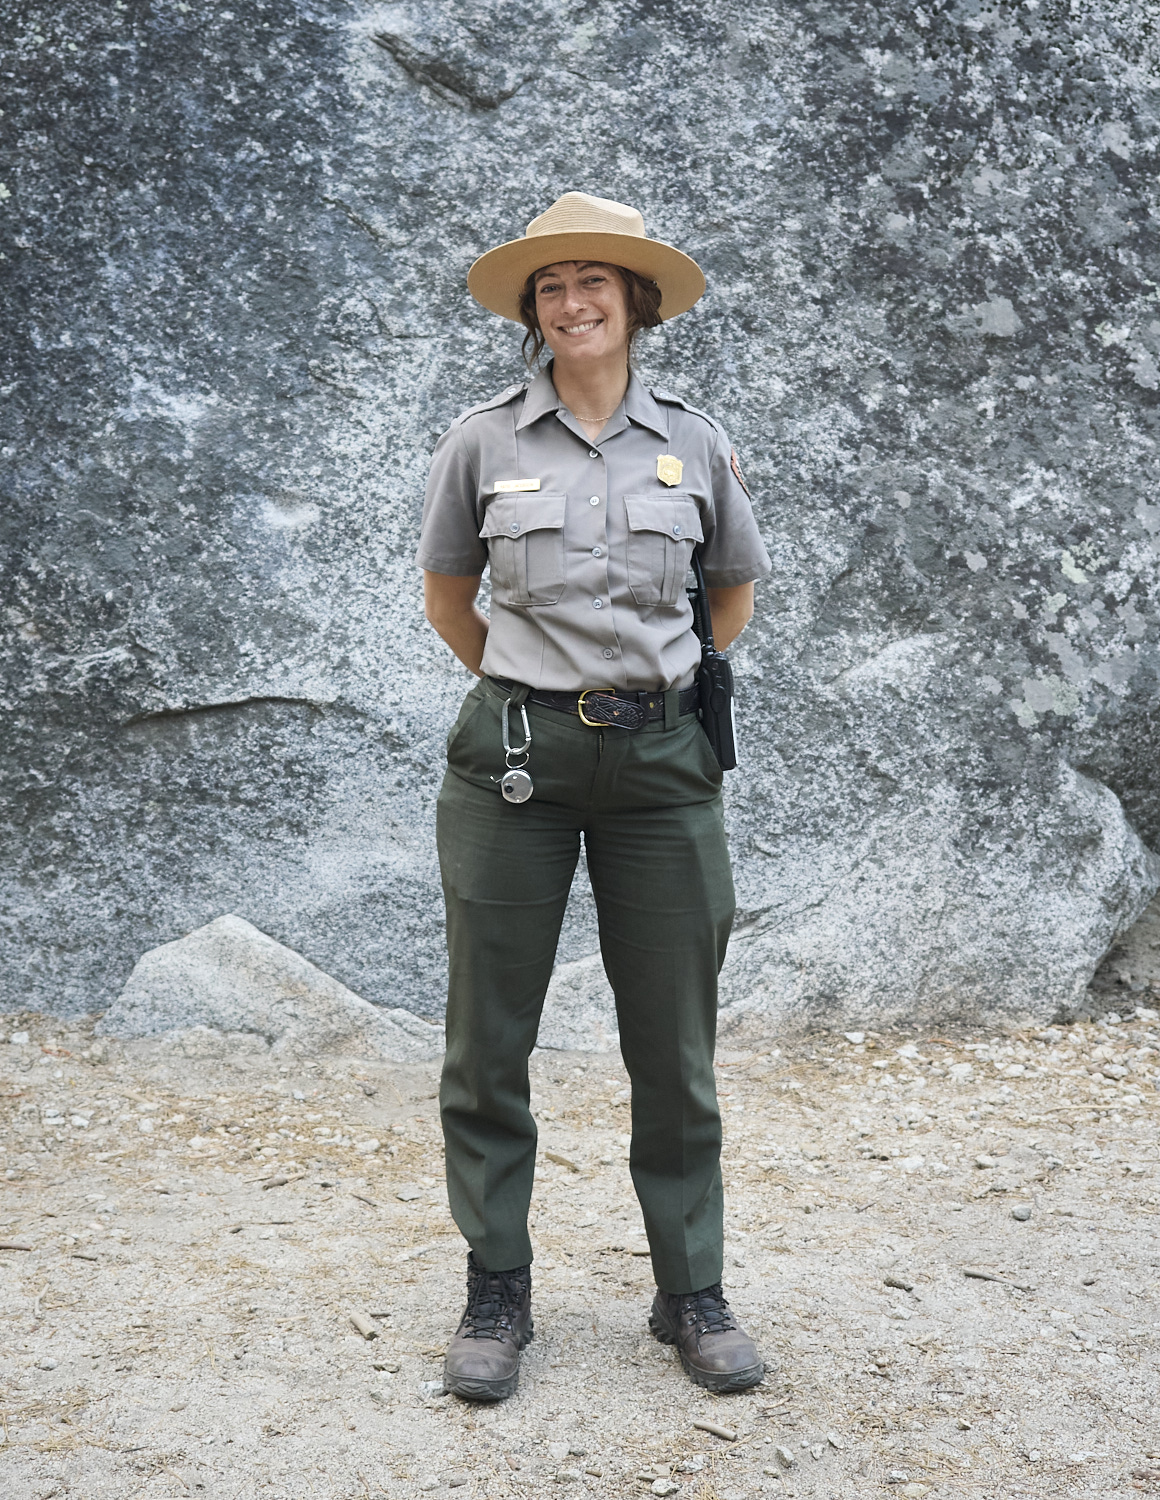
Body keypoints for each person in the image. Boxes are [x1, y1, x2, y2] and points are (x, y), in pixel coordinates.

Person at [415, 191, 772, 1402]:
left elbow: (728, 591)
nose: (572, 304)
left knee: (672, 1043)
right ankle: (495, 1286)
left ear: (635, 306)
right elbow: (449, 599)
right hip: (512, 763)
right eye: (551, 287)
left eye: (594, 285)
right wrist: (545, 694)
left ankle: (689, 1289)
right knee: (486, 1042)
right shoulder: (481, 442)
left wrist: (641, 692)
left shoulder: (695, 440)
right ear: (534, 311)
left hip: (663, 770)